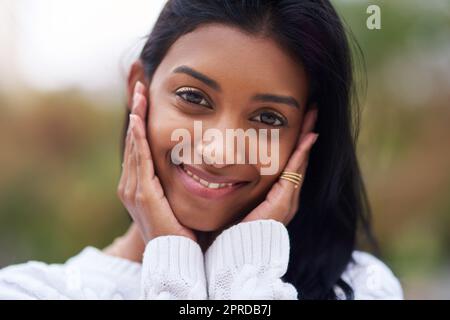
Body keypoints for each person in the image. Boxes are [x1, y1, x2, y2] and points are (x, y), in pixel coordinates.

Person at [0, 0, 403, 299]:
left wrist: (242, 271)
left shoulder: (359, 287)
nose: (219, 151)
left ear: (304, 135)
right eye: (194, 97)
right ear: (138, 87)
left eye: (267, 119)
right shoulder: (30, 292)